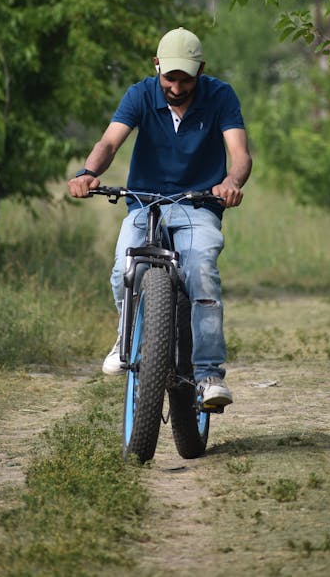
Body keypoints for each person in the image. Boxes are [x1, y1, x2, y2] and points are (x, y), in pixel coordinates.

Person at [68, 27, 252, 407]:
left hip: (199, 204)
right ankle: (126, 337)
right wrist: (88, 171)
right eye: (170, 77)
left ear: (200, 69)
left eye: (186, 78)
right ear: (157, 67)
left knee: (201, 269)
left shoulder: (221, 96)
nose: (178, 86)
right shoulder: (140, 94)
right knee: (123, 269)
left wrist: (232, 182)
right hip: (144, 202)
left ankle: (208, 376)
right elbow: (109, 142)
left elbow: (240, 154)